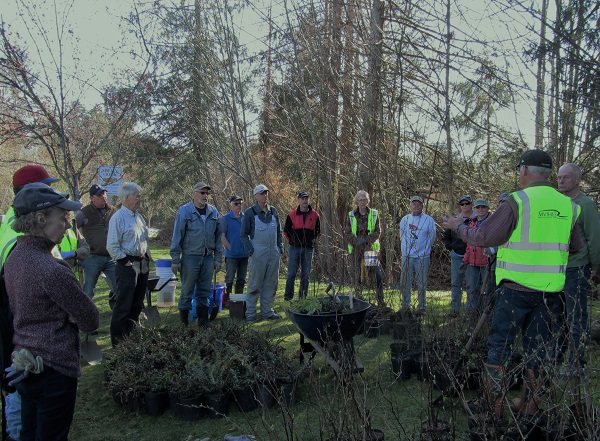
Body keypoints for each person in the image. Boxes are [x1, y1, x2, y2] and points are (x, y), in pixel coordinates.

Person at [442, 149, 581, 419]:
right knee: (537, 350)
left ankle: (494, 407)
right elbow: (575, 245)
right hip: (550, 293)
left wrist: (458, 226)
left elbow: (484, 237)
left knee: (499, 347)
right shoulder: (568, 205)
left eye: (519, 169)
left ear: (525, 170)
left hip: (515, 290)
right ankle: (530, 406)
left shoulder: (517, 201)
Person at [4, 183, 99, 441]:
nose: (68, 225)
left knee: (29, 433)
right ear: (41, 219)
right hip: (53, 370)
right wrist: (70, 314)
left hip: (25, 364)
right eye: (63, 217)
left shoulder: (14, 257)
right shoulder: (52, 269)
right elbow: (90, 319)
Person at [0, 164, 59, 441]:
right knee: (18, 391)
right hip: (18, 326)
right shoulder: (21, 234)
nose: (52, 192)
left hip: (17, 322)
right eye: (47, 187)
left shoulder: (16, 220)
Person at [552, 163, 600, 375]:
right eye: (559, 177)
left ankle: (576, 364)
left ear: (577, 180)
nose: (561, 181)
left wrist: (594, 266)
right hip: (556, 269)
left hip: (577, 268)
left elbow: (594, 238)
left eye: (566, 177)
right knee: (557, 316)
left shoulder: (585, 205)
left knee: (576, 317)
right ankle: (555, 359)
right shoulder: (557, 203)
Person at [170, 182, 223, 327]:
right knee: (187, 290)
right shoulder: (184, 211)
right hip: (190, 257)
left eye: (207, 193)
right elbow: (177, 236)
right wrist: (175, 259)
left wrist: (218, 259)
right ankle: (184, 323)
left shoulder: (213, 212)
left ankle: (203, 321)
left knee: (204, 291)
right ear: (194, 193)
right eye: (202, 193)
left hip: (207, 257)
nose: (205, 196)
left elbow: (218, 238)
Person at [107, 182, 150, 347]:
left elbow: (143, 239)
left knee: (137, 304)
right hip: (127, 264)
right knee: (123, 305)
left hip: (142, 263)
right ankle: (118, 343)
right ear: (126, 197)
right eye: (137, 196)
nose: (140, 199)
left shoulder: (139, 217)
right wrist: (126, 262)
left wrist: (146, 257)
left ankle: (130, 340)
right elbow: (112, 246)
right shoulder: (118, 218)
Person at [240, 184, 283, 321]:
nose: (265, 196)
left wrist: (280, 248)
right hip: (257, 252)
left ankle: (267, 312)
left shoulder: (273, 211)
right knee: (255, 283)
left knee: (271, 283)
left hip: (273, 251)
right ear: (256, 196)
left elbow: (279, 232)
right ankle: (251, 313)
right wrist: (251, 251)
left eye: (266, 193)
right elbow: (243, 235)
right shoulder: (250, 213)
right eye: (262, 193)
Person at [75, 184, 117, 305]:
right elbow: (72, 230)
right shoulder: (84, 213)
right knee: (88, 289)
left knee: (119, 287)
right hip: (92, 257)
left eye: (104, 193)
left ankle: (118, 311)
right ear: (92, 198)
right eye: (99, 195)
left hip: (111, 257)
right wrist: (80, 248)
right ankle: (84, 312)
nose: (103, 196)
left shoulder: (113, 211)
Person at [343, 190, 385, 307]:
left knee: (377, 275)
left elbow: (378, 231)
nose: (362, 202)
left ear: (367, 201)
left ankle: (380, 300)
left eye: (364, 200)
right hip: (356, 250)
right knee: (357, 276)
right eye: (360, 200)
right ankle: (358, 300)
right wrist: (357, 242)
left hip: (370, 249)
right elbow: (347, 232)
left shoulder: (374, 214)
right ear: (356, 202)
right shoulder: (351, 215)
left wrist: (366, 240)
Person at [398, 195, 436, 312]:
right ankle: (405, 306)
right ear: (410, 206)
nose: (416, 206)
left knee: (422, 283)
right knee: (405, 282)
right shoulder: (405, 219)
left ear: (422, 206)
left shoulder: (428, 220)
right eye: (414, 204)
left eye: (418, 204)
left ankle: (422, 306)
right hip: (407, 256)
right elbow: (401, 235)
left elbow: (432, 236)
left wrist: (425, 249)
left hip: (422, 257)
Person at [283, 191, 321, 300]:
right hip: (294, 248)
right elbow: (286, 231)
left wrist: (311, 241)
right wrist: (293, 241)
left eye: (306, 198)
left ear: (309, 200)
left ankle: (302, 298)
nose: (305, 201)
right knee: (291, 274)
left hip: (308, 249)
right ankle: (288, 297)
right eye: (302, 198)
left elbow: (318, 232)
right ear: (298, 200)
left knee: (306, 275)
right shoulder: (292, 215)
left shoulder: (315, 215)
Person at [443, 195, 474, 318]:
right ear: (460, 206)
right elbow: (446, 236)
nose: (465, 206)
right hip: (456, 255)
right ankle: (455, 310)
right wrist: (451, 247)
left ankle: (470, 312)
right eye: (462, 204)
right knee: (456, 283)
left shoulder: (475, 219)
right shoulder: (455, 220)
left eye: (467, 203)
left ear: (471, 205)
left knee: (471, 285)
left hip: (471, 256)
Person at [462, 198, 491, 315]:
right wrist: (465, 260)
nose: (480, 209)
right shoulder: (472, 222)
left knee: (487, 290)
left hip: (487, 263)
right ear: (474, 209)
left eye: (483, 207)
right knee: (472, 289)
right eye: (478, 207)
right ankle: (472, 315)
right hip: (473, 263)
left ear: (487, 208)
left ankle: (486, 315)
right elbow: (469, 243)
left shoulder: (492, 221)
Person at [221, 195, 249, 297]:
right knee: (229, 279)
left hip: (244, 255)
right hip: (231, 256)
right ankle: (228, 300)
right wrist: (230, 248)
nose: (239, 206)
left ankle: (238, 300)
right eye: (236, 204)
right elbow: (222, 236)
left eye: (240, 203)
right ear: (231, 205)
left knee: (241, 279)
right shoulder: (225, 218)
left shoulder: (245, 218)